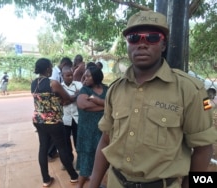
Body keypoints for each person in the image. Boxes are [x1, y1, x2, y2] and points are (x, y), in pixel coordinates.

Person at [89, 10, 217, 188]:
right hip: (115, 182)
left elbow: (203, 149)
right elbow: (105, 139)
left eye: (152, 37)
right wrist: (93, 184)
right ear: (127, 44)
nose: (142, 44)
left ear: (163, 45)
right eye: (134, 37)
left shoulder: (189, 90)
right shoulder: (115, 89)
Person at [31, 58, 79, 187]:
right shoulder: (53, 83)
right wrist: (77, 95)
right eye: (51, 67)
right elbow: (67, 98)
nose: (52, 69)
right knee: (62, 148)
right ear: (47, 69)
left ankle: (46, 179)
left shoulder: (33, 83)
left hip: (38, 120)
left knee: (43, 148)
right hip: (53, 121)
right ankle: (73, 176)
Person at [76, 66, 108, 188]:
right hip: (87, 132)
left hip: (103, 131)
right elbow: (83, 105)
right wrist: (107, 106)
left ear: (96, 77)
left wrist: (96, 102)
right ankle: (79, 186)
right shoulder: (84, 90)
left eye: (88, 75)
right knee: (86, 161)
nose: (85, 78)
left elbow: (115, 103)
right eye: (84, 75)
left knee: (100, 160)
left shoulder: (107, 89)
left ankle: (96, 183)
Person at [48, 57, 73, 160]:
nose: (70, 77)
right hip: (57, 106)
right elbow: (56, 91)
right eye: (68, 75)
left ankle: (52, 153)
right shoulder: (54, 74)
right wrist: (71, 98)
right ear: (64, 64)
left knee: (57, 135)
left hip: (60, 107)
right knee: (58, 136)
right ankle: (51, 154)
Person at [61, 66, 83, 164]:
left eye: (71, 75)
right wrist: (75, 96)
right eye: (68, 75)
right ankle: (68, 161)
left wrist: (68, 99)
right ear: (62, 76)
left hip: (77, 117)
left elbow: (82, 98)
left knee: (78, 140)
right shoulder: (59, 87)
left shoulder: (78, 84)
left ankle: (80, 160)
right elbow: (61, 102)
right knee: (66, 142)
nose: (70, 77)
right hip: (65, 118)